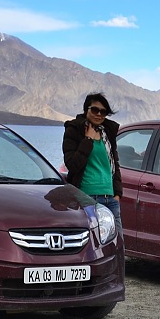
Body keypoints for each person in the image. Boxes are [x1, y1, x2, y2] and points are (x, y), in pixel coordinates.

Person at [62, 93, 123, 234]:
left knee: (117, 245)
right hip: (87, 197)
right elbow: (72, 164)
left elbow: (114, 164)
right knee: (92, 247)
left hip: (111, 198)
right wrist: (87, 140)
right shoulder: (74, 131)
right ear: (86, 110)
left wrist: (117, 193)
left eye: (103, 111)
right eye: (95, 110)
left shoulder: (107, 133)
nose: (99, 114)